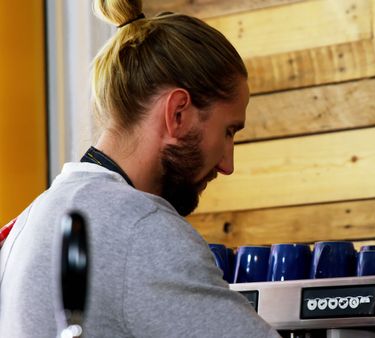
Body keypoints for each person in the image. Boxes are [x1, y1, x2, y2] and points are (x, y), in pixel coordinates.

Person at [0, 0, 280, 337]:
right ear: (178, 113)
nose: (227, 165)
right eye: (228, 131)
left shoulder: (31, 220)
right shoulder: (138, 226)